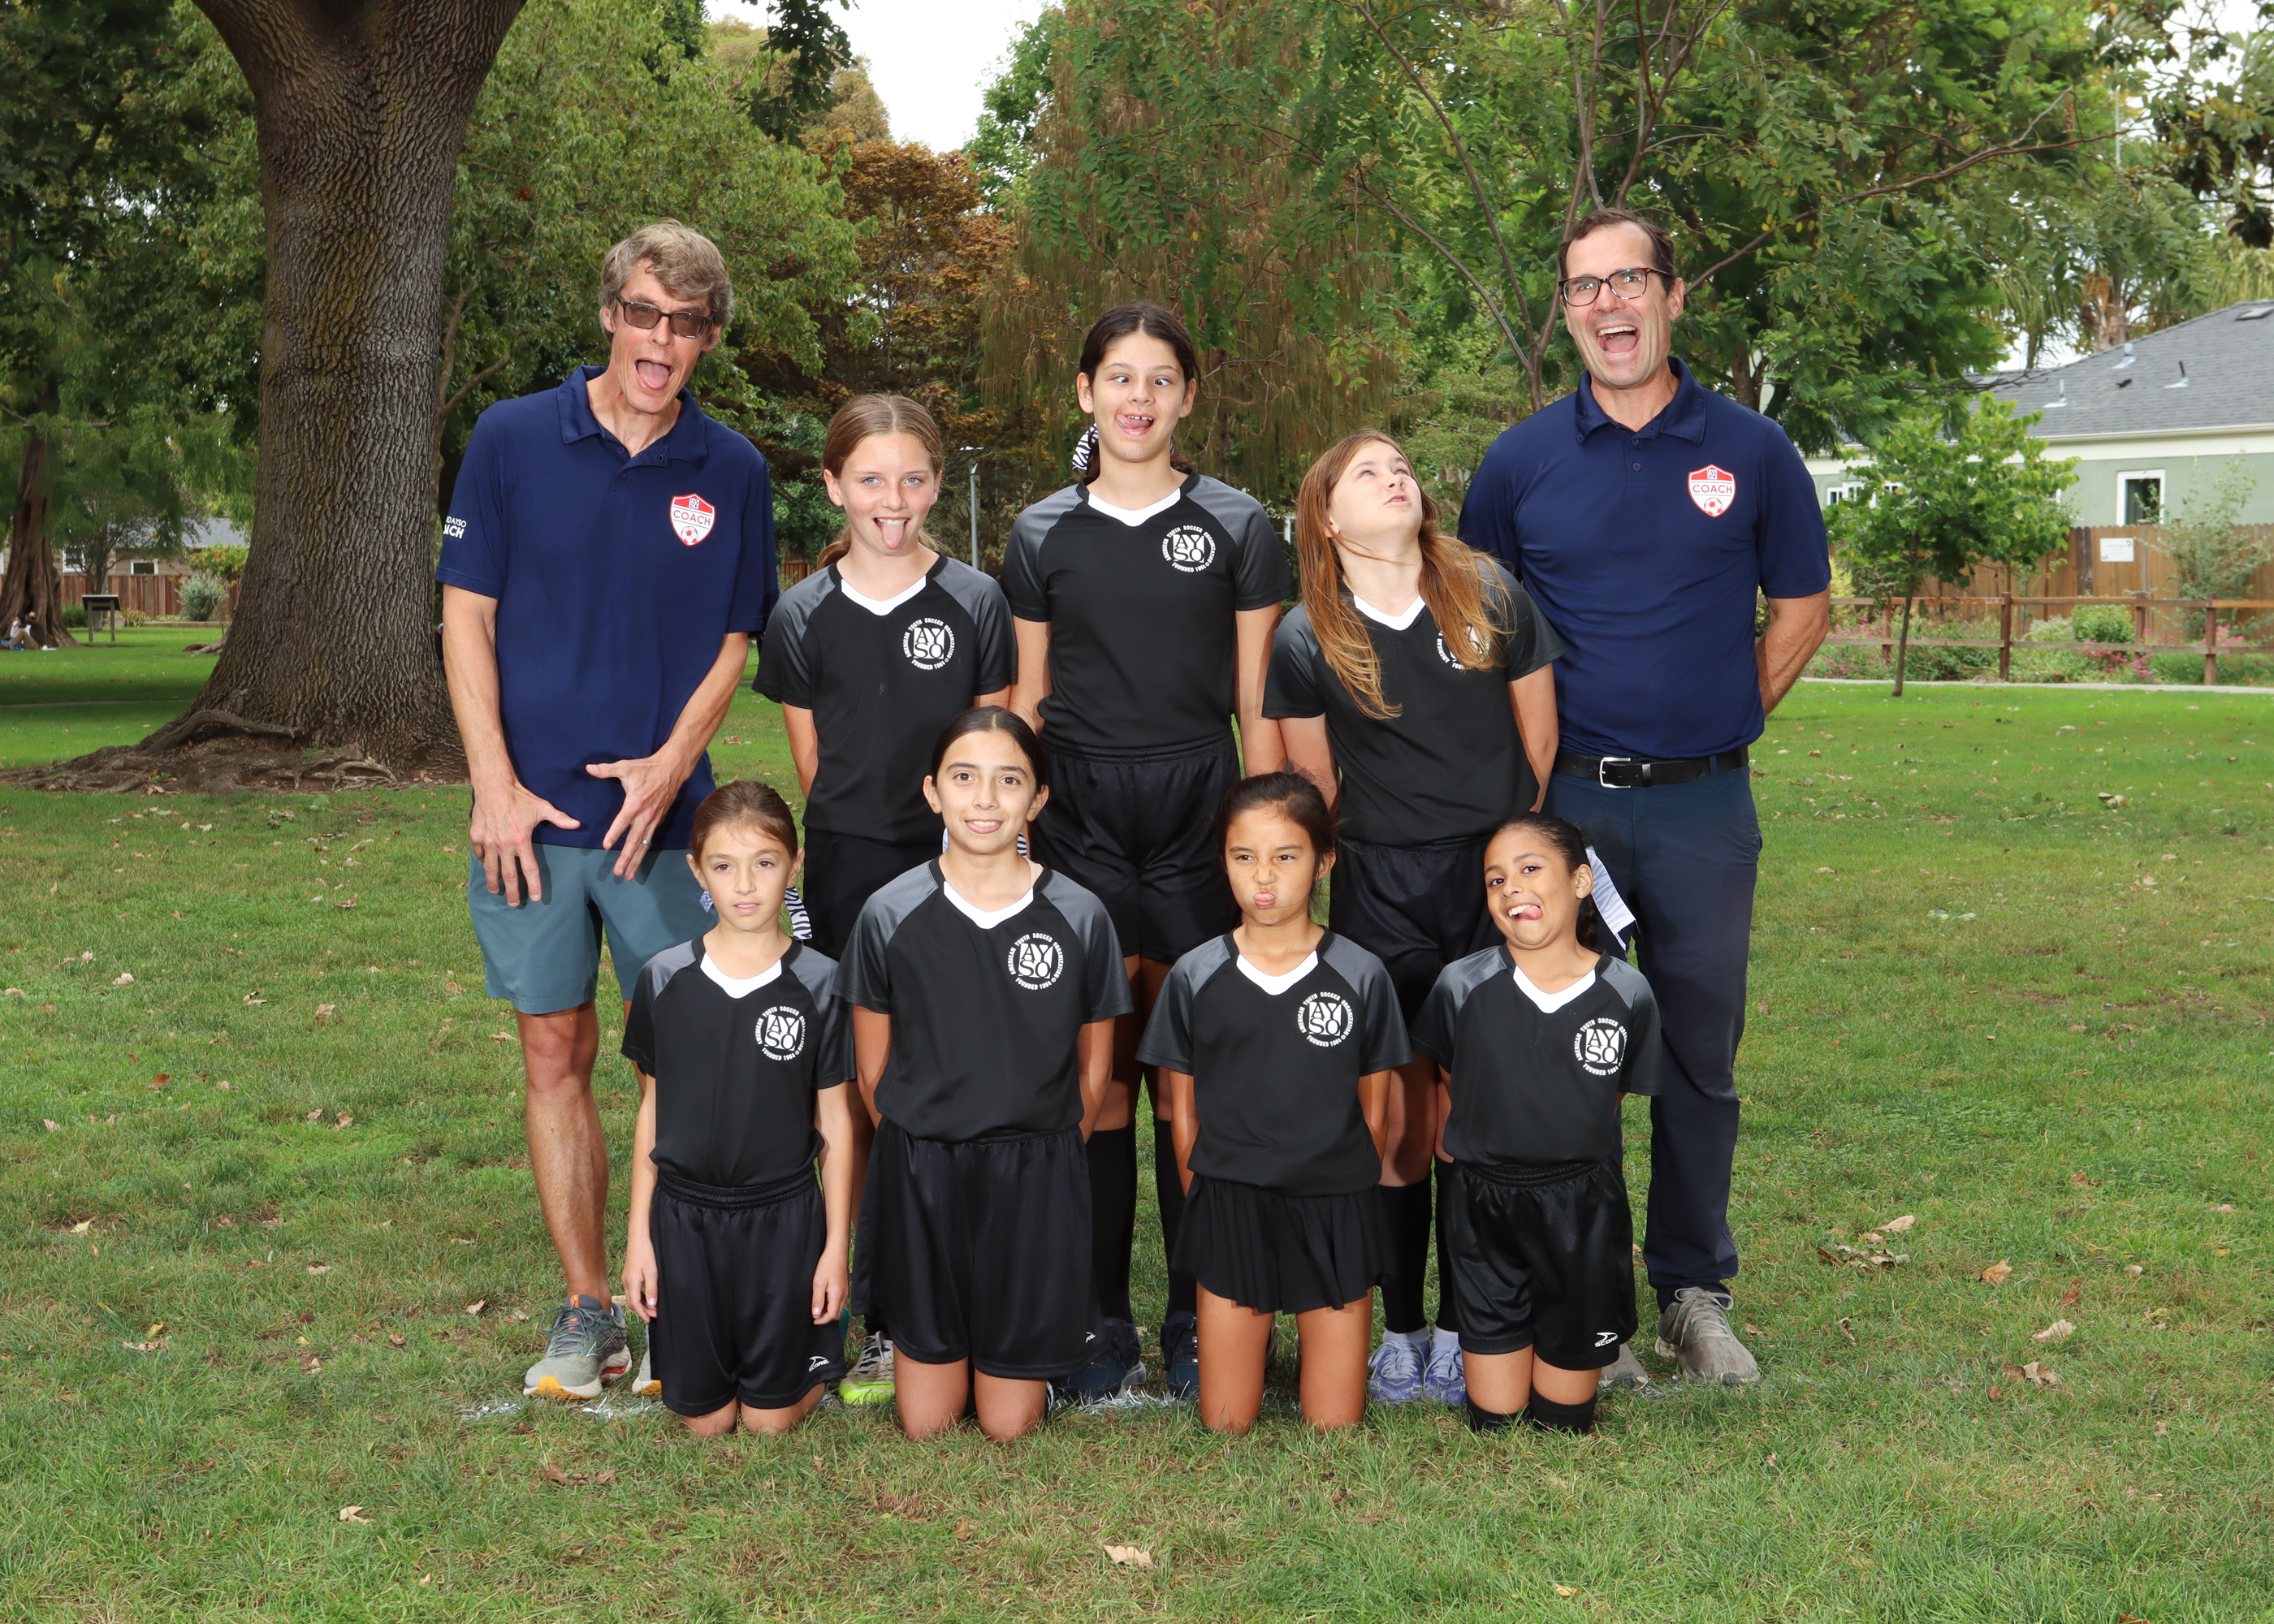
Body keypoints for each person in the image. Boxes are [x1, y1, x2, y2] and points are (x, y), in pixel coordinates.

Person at [1459, 207, 1830, 1384]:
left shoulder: (1753, 449)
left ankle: (1692, 1292)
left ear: (1672, 295)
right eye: (1585, 287)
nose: (1609, 304)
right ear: (1566, 311)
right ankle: (1587, 1304)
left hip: (1702, 809)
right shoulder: (1518, 463)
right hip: (1567, 808)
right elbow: (1479, 629)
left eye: (1630, 281)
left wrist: (1726, 713)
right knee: (1562, 1048)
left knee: (1698, 1054)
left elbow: (1803, 605)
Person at [438, 220, 777, 1400]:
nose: (659, 340)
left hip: (661, 826)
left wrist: (673, 763)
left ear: (708, 338)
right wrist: (491, 784)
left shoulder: (732, 469)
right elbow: (466, 615)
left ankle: (681, 1292)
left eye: (684, 323)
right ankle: (588, 1308)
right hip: (526, 820)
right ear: (608, 315)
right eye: (642, 313)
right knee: (554, 1047)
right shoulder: (512, 436)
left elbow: (734, 640)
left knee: (682, 1057)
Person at [1003, 301, 1292, 1401]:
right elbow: (1029, 696)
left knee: (1188, 1083)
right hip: (1077, 812)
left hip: (1195, 809)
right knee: (1095, 1084)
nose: (1138, 398)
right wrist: (1014, 826)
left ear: (1188, 396)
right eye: (1118, 377)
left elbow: (1257, 698)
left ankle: (1195, 1313)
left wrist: (1267, 825)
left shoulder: (1235, 523)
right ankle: (1096, 1319)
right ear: (1085, 392)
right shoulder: (1041, 531)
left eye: (1160, 379)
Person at [1268, 432, 1562, 1410]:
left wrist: (1512, 867)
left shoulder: (1488, 592)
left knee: (1475, 1118)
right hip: (1382, 888)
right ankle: (1403, 1331)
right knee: (1397, 1120)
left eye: (1401, 467)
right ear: (1325, 517)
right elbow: (1314, 779)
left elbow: (1538, 740)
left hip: (1486, 878)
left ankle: (1479, 1321)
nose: (1395, 478)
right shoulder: (1307, 634)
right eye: (1368, 472)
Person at [753, 394, 1016, 1409]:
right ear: (833, 486)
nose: (891, 499)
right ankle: (858, 1305)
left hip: (960, 866)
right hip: (852, 871)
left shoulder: (976, 601)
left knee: (956, 1077)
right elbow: (815, 770)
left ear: (937, 484)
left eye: (912, 478)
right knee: (860, 1090)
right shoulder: (799, 614)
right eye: (870, 478)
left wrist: (979, 856)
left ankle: (956, 1297)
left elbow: (992, 755)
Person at [837, 708, 1130, 1441]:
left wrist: (1045, 1152)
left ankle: (1024, 1340)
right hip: (923, 1172)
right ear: (933, 792)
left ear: (1038, 799)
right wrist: (926, 1139)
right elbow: (872, 1072)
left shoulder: (1081, 915)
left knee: (1007, 1425)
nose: (986, 800)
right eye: (965, 778)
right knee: (927, 1424)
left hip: (1032, 1174)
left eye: (1009, 781)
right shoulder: (889, 913)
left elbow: (1094, 1071)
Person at [1142, 772, 1406, 1433]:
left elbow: (1375, 1112)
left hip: (1333, 1206)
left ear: (1323, 863)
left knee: (1334, 1424)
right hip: (1232, 1204)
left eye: (1285, 856)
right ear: (1223, 861)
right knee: (1226, 1420)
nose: (1264, 877)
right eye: (1244, 856)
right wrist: (1208, 1200)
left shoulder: (1361, 974)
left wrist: (1342, 1185)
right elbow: (1182, 1112)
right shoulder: (1195, 975)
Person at [619, 780, 857, 1434]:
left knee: (766, 1423)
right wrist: (640, 1239)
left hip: (784, 1219)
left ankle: (812, 1364)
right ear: (698, 871)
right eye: (724, 866)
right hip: (686, 1221)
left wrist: (835, 1248)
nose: (745, 885)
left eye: (765, 863)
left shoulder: (822, 983)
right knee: (708, 1422)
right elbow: (652, 1110)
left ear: (794, 865)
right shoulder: (664, 978)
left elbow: (835, 1122)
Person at [1415, 814, 1662, 1435]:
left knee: (1563, 1422)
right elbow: (1451, 1078)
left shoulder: (1628, 993)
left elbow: (1608, 1098)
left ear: (1580, 881)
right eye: (1496, 879)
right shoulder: (1460, 986)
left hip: (1582, 1207)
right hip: (1484, 1206)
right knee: (1496, 1420)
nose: (1512, 888)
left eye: (1530, 869)